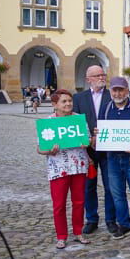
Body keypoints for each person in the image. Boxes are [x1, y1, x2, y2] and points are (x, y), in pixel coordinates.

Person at [38, 89, 91, 249]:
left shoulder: (78, 120)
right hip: (58, 168)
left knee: (79, 202)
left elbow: (88, 139)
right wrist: (49, 150)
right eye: (64, 101)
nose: (68, 104)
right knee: (59, 204)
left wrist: (86, 142)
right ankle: (61, 236)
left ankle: (78, 232)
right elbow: (40, 148)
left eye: (69, 101)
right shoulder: (48, 122)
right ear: (55, 105)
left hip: (78, 167)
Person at [72, 65, 112, 234]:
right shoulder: (79, 98)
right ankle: (92, 219)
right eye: (97, 75)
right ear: (88, 79)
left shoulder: (112, 95)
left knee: (111, 186)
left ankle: (111, 219)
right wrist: (89, 139)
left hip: (109, 148)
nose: (101, 77)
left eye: (103, 74)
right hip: (87, 150)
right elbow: (75, 122)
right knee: (89, 186)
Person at [99, 76, 130, 239]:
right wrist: (98, 135)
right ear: (110, 91)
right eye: (114, 90)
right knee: (117, 193)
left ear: (127, 91)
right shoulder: (106, 108)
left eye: (120, 89)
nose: (117, 93)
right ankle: (124, 224)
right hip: (113, 158)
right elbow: (102, 131)